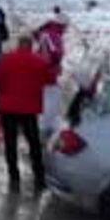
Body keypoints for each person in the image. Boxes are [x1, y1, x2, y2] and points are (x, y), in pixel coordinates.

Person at [0, 35, 56, 193]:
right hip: (29, 110)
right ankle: (39, 178)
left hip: (8, 109)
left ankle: (14, 177)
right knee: (34, 144)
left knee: (10, 143)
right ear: (31, 46)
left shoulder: (7, 59)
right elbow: (51, 80)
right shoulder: (40, 61)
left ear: (18, 45)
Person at [33, 8, 69, 137]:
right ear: (62, 25)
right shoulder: (54, 34)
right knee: (52, 95)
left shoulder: (46, 31)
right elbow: (55, 52)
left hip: (41, 68)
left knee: (46, 95)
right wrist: (57, 64)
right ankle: (45, 126)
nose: (66, 30)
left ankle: (46, 122)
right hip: (47, 70)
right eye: (66, 27)